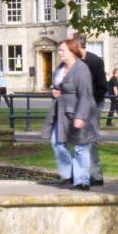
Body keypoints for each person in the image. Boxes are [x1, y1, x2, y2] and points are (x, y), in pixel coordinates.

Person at [40, 38, 97, 191]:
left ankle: (82, 181)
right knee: (56, 142)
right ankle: (70, 173)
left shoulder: (81, 69)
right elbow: (58, 86)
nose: (60, 53)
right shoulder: (60, 67)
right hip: (61, 111)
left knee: (81, 146)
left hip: (79, 111)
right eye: (59, 50)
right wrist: (54, 92)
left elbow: (86, 94)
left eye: (62, 50)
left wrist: (80, 116)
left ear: (72, 51)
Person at [70, 32, 107, 186]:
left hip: (93, 105)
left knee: (90, 140)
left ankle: (95, 175)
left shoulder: (95, 61)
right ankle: (79, 175)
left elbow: (102, 87)